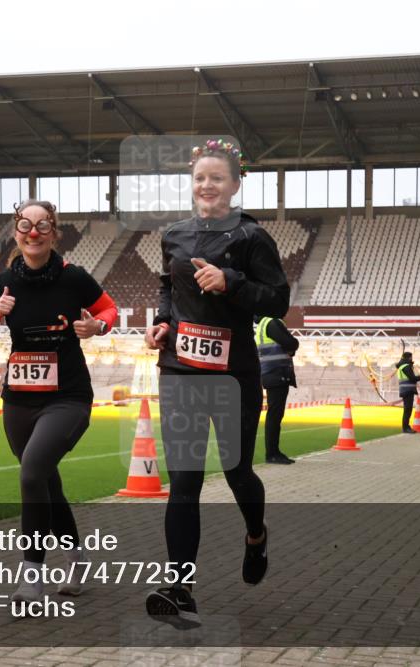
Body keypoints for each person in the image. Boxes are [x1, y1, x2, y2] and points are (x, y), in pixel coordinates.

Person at [143, 139, 290, 629]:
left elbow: (277, 300)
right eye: (200, 177)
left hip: (234, 375)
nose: (207, 185)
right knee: (183, 481)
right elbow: (169, 286)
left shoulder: (252, 238)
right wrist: (163, 321)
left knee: (236, 472)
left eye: (217, 178)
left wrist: (232, 283)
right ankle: (180, 589)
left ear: (235, 184)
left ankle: (255, 534)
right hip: (181, 369)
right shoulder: (175, 236)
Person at [0, 199, 117, 603]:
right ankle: (78, 558)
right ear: (16, 231)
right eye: (25, 224)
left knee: (32, 473)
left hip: (68, 396)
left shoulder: (74, 278)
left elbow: (109, 310)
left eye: (43, 225)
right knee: (45, 480)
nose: (33, 232)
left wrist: (97, 326)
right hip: (20, 400)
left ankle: (32, 573)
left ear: (54, 233)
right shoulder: (4, 283)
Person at [255, 315, 299, 464]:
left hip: (270, 373)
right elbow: (291, 343)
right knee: (275, 414)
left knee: (274, 414)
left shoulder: (262, 323)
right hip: (277, 373)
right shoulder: (272, 322)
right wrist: (292, 347)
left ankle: (273, 451)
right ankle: (272, 453)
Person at [395, 351, 420, 434]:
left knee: (407, 409)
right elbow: (412, 378)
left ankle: (406, 427)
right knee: (408, 410)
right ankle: (406, 428)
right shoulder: (406, 366)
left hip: (405, 390)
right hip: (408, 390)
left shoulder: (402, 366)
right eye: (411, 357)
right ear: (409, 357)